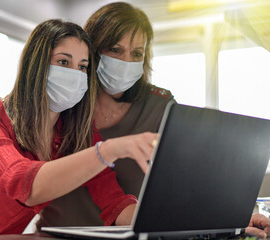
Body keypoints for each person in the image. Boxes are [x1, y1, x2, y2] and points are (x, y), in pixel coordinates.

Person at [35, 2, 270, 238]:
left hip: (129, 233)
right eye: (115, 50)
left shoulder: (160, 105)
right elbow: (23, 178)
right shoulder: (62, 104)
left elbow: (192, 181)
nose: (126, 62)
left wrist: (229, 219)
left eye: (136, 53)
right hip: (52, 236)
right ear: (91, 49)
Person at [0, 19, 158, 238]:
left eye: (83, 67)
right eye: (63, 62)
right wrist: (109, 150)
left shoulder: (74, 132)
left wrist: (160, 221)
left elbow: (113, 199)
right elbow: (22, 183)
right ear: (37, 66)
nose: (75, 74)